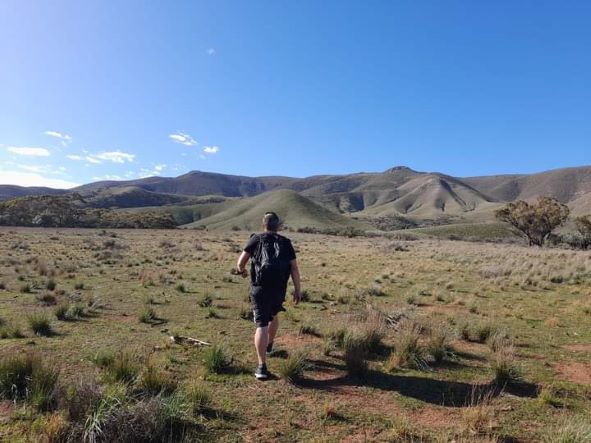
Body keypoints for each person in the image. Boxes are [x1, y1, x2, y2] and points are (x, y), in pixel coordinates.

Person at [236, 212, 301, 380]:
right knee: (274, 315)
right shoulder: (286, 243)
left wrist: (242, 272)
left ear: (263, 224)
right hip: (279, 288)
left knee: (261, 325)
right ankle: (270, 345)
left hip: (259, 287)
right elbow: (294, 268)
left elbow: (240, 262)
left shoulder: (255, 239)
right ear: (278, 226)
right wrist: (298, 290)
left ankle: (261, 366)